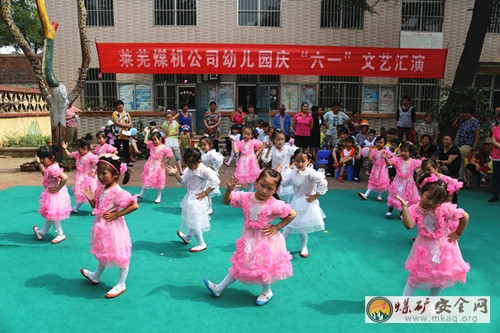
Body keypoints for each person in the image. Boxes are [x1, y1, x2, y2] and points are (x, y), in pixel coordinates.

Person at [203, 169, 296, 306]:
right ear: (257, 182)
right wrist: (229, 190)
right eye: (262, 185)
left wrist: (277, 227)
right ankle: (219, 288)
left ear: (275, 190)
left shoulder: (274, 204)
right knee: (241, 263)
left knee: (264, 266)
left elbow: (292, 214)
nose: (264, 191)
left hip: (265, 240)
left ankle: (266, 291)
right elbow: (226, 201)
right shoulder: (245, 197)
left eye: (270, 188)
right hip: (248, 237)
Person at [398, 173, 470, 297]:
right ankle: (404, 301)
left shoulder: (444, 209)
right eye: (429, 197)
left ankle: (431, 304)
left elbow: (465, 216)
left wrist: (458, 233)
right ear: (422, 191)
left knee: (440, 276)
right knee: (416, 275)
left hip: (443, 247)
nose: (431, 202)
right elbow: (409, 225)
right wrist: (405, 208)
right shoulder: (415, 208)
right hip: (423, 246)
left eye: (436, 200)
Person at [80, 154, 139, 299]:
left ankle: (121, 283)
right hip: (102, 227)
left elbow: (134, 205)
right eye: (98, 172)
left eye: (104, 173)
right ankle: (96, 275)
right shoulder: (101, 189)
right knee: (103, 251)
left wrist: (116, 215)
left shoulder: (118, 192)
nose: (99, 176)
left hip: (115, 229)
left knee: (120, 254)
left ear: (115, 174)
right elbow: (97, 208)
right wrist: (90, 200)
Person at [166, 148, 220, 253]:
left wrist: (205, 193)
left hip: (197, 198)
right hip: (190, 197)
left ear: (199, 161)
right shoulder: (188, 170)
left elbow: (216, 181)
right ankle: (188, 237)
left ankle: (201, 243)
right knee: (191, 218)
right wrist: (176, 174)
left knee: (195, 220)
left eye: (191, 164)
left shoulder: (203, 170)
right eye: (187, 164)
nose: (189, 166)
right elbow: (183, 182)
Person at [280, 148, 328, 258]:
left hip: (307, 204)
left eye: (303, 161)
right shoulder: (293, 172)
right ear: (294, 161)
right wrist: (279, 172)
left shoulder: (311, 174)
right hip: (296, 203)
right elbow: (284, 183)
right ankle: (279, 247)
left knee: (301, 228)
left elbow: (323, 182)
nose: (300, 164)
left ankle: (304, 247)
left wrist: (316, 195)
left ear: (309, 161)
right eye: (297, 161)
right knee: (288, 226)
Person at [32, 145, 71, 244]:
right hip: (52, 193)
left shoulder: (53, 169)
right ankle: (41, 233)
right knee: (50, 215)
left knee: (52, 215)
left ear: (52, 158)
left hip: (53, 195)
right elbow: (44, 173)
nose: (42, 160)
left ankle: (60, 234)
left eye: (43, 158)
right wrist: (40, 163)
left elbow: (65, 177)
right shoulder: (50, 167)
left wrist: (57, 188)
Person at [62, 134, 99, 214]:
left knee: (91, 193)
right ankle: (76, 207)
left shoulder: (92, 157)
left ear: (85, 148)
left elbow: (98, 165)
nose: (78, 151)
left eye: (79, 149)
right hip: (80, 177)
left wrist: (95, 172)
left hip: (88, 178)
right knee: (81, 193)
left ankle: (96, 208)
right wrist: (65, 149)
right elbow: (70, 155)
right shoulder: (78, 154)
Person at [384, 142, 422, 218]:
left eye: (405, 151)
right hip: (398, 180)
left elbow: (421, 168)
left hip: (408, 182)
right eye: (402, 151)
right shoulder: (397, 160)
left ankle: (402, 213)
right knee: (394, 194)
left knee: (406, 196)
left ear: (410, 153)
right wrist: (385, 158)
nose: (403, 153)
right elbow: (389, 163)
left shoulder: (414, 162)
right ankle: (390, 210)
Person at [261, 128, 298, 203]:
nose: (280, 142)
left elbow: (298, 153)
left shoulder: (288, 148)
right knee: (275, 192)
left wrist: (292, 165)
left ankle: (286, 209)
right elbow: (266, 159)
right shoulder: (272, 149)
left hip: (286, 172)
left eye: (282, 139)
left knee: (287, 193)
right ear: (273, 140)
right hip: (275, 173)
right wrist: (269, 149)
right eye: (278, 139)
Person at [137, 130, 173, 204]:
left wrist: (164, 162)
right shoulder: (152, 145)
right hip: (150, 164)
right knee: (146, 177)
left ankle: (158, 197)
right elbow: (145, 141)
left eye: (155, 139)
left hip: (158, 166)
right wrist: (147, 133)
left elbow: (170, 155)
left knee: (159, 180)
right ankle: (141, 193)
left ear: (160, 139)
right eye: (153, 140)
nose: (154, 141)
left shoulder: (164, 147)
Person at [358, 136, 393, 201]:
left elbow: (391, 157)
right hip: (375, 168)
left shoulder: (386, 151)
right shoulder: (374, 151)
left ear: (384, 144)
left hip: (382, 168)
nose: (378, 144)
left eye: (381, 143)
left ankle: (379, 195)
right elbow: (370, 158)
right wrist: (369, 151)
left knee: (381, 181)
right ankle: (366, 194)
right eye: (377, 142)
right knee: (373, 180)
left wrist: (387, 161)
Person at [231, 126, 264, 192]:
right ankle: (234, 193)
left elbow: (263, 144)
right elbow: (236, 151)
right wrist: (234, 142)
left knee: (251, 180)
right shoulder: (240, 143)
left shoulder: (253, 142)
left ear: (251, 135)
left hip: (251, 162)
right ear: (242, 134)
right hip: (242, 162)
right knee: (239, 179)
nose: (246, 136)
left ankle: (250, 193)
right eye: (244, 133)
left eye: (248, 134)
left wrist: (257, 154)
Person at [199, 136, 224, 215]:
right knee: (202, 190)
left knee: (207, 191)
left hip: (210, 174)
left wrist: (214, 168)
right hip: (203, 173)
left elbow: (219, 161)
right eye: (201, 145)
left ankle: (209, 208)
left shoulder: (212, 154)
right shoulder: (201, 153)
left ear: (210, 145)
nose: (203, 147)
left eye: (204, 145)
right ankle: (203, 206)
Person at [112, 100, 133, 166]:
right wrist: (126, 125)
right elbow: (117, 122)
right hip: (117, 134)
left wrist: (129, 126)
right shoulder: (115, 113)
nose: (120, 106)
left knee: (126, 148)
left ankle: (127, 161)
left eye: (121, 104)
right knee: (117, 148)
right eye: (118, 105)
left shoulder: (127, 113)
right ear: (116, 107)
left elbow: (130, 122)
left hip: (125, 134)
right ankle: (116, 161)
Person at [489, 121, 500, 202]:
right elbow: (493, 140)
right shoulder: (496, 129)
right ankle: (495, 195)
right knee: (496, 176)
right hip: (496, 155)